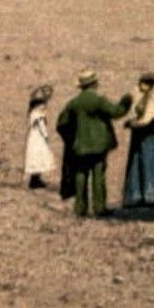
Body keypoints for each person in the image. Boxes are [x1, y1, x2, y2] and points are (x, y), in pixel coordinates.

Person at [55, 69, 132, 217]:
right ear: (94, 84)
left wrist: (70, 139)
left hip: (80, 146)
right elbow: (116, 112)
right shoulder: (98, 101)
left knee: (80, 176)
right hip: (99, 146)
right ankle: (99, 208)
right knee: (98, 176)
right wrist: (126, 102)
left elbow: (61, 124)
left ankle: (80, 208)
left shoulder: (73, 103)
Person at [121, 73, 154, 208]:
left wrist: (132, 124)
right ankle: (136, 195)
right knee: (136, 162)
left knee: (151, 161)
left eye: (146, 83)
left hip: (149, 134)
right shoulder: (138, 96)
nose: (142, 86)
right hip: (138, 134)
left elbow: (146, 120)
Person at [24, 84, 56, 189]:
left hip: (34, 138)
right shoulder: (38, 115)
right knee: (39, 157)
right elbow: (42, 127)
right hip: (38, 139)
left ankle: (35, 179)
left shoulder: (33, 113)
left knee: (36, 158)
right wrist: (46, 136)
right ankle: (35, 181)